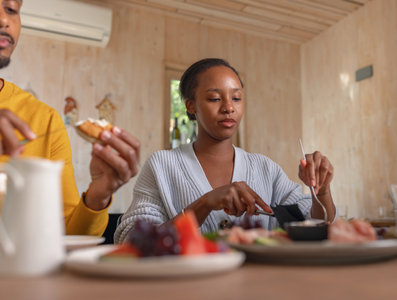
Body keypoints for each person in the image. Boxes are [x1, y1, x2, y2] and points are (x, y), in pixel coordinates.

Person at [114, 58, 335, 243]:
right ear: (191, 106)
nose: (229, 107)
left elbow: (317, 222)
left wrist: (321, 189)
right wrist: (204, 204)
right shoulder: (161, 165)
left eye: (236, 98)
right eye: (215, 98)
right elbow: (130, 240)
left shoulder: (265, 168)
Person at [0, 0, 140, 236]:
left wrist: (98, 195)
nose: (4, 20)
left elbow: (69, 236)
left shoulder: (45, 119)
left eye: (11, 9)